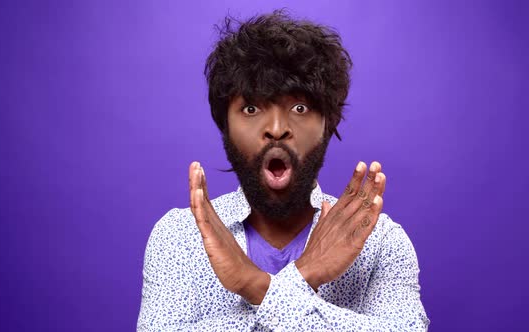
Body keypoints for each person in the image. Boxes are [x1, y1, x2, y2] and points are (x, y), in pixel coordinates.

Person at [137, 10, 429, 331]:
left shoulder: (379, 240)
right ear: (225, 127)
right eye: (251, 108)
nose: (276, 128)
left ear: (327, 125)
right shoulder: (180, 237)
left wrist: (254, 285)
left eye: (300, 108)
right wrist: (304, 277)